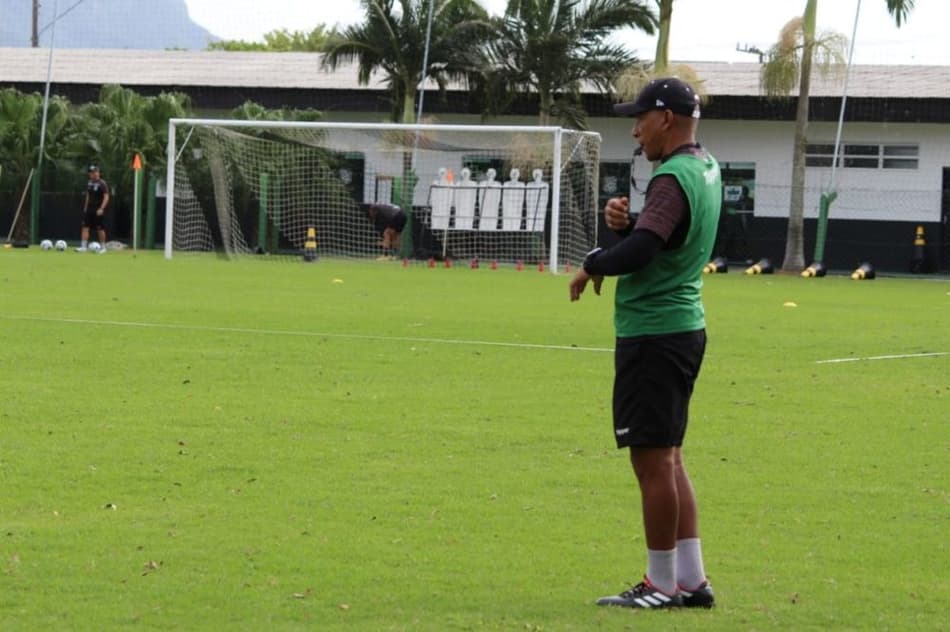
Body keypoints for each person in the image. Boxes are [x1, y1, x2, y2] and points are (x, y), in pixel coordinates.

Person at [568, 77, 721, 610]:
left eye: (640, 118)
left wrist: (594, 262)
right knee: (670, 459)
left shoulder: (672, 176)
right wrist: (629, 225)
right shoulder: (705, 166)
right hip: (683, 327)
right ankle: (692, 580)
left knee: (652, 463)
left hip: (655, 333)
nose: (635, 130)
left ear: (666, 119)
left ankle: (660, 585)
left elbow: (643, 251)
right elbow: (664, 237)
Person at [78, 164, 110, 252]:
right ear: (89, 174)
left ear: (98, 172)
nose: (94, 174)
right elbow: (88, 195)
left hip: (98, 209)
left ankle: (103, 248)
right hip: (89, 208)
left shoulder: (102, 183)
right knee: (85, 227)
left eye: (95, 172)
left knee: (100, 228)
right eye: (92, 172)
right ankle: (83, 247)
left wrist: (101, 208)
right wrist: (85, 207)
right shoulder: (89, 183)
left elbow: (106, 197)